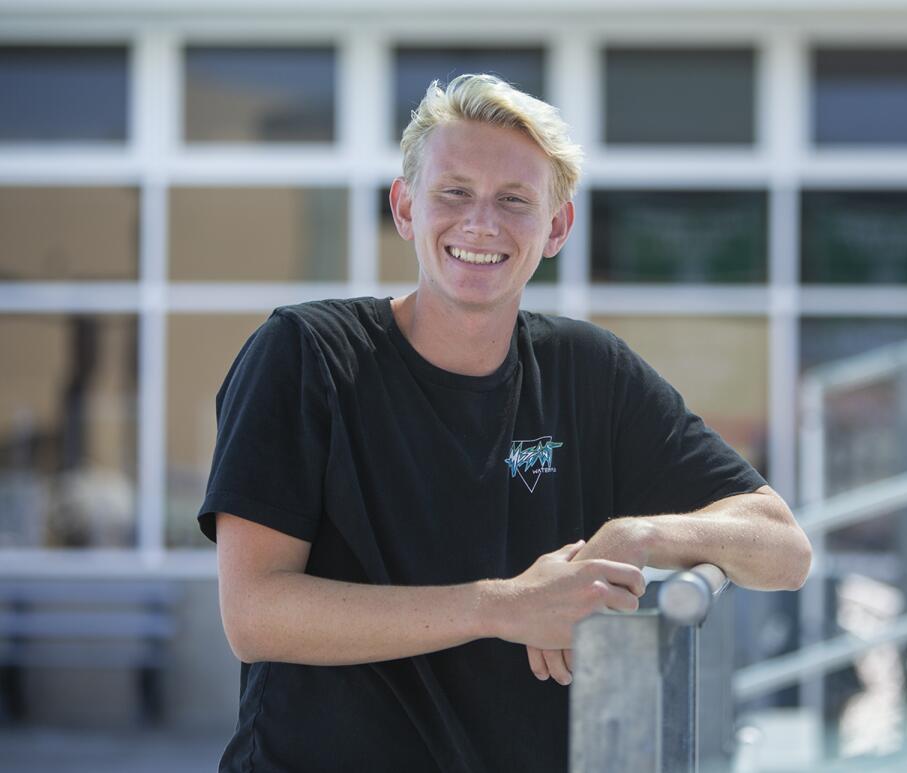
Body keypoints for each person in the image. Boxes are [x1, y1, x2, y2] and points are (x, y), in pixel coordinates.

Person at [198, 73, 811, 773]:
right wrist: (503, 606)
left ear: (556, 227)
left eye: (514, 200)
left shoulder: (589, 371)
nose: (480, 223)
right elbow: (253, 615)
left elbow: (783, 548)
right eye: (454, 191)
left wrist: (644, 535)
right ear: (404, 206)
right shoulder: (305, 355)